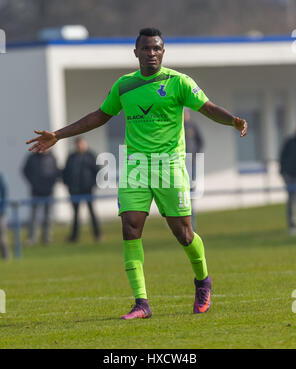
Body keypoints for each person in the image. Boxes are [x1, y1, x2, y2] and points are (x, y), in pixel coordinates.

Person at [26, 28, 247, 320]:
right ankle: (141, 303)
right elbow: (99, 115)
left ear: (163, 52)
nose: (151, 53)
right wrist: (59, 134)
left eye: (156, 48)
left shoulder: (178, 82)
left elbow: (206, 107)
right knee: (130, 227)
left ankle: (203, 281)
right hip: (135, 168)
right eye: (146, 49)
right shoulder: (124, 86)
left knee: (183, 233)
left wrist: (232, 120)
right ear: (136, 53)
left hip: (169, 166)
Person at [62, 137, 101, 242]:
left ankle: (97, 235)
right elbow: (65, 172)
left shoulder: (90, 156)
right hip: (74, 190)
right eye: (78, 144)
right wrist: (68, 185)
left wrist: (92, 185)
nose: (79, 146)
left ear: (85, 144)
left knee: (92, 213)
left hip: (88, 190)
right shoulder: (71, 157)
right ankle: (74, 237)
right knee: (75, 215)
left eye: (81, 144)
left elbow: (98, 171)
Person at [22, 151, 60, 244]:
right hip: (36, 191)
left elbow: (56, 172)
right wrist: (33, 183)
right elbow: (25, 171)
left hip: (49, 191)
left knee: (48, 216)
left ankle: (47, 239)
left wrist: (51, 184)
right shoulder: (32, 158)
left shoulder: (52, 157)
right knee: (34, 217)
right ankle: (32, 238)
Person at [184, 109, 204, 231]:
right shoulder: (177, 126)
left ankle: (192, 224)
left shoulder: (193, 126)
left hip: (190, 164)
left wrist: (195, 156)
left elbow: (201, 142)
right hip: (178, 165)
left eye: (186, 113)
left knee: (190, 195)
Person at [279, 123, 296, 235]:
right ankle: (292, 226)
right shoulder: (290, 141)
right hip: (289, 175)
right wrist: (282, 171)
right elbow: (282, 157)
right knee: (292, 199)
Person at [0, 173, 10, 260]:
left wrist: (2, 209)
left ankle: (6, 257)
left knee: (2, 237)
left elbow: (4, 192)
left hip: (0, 213)